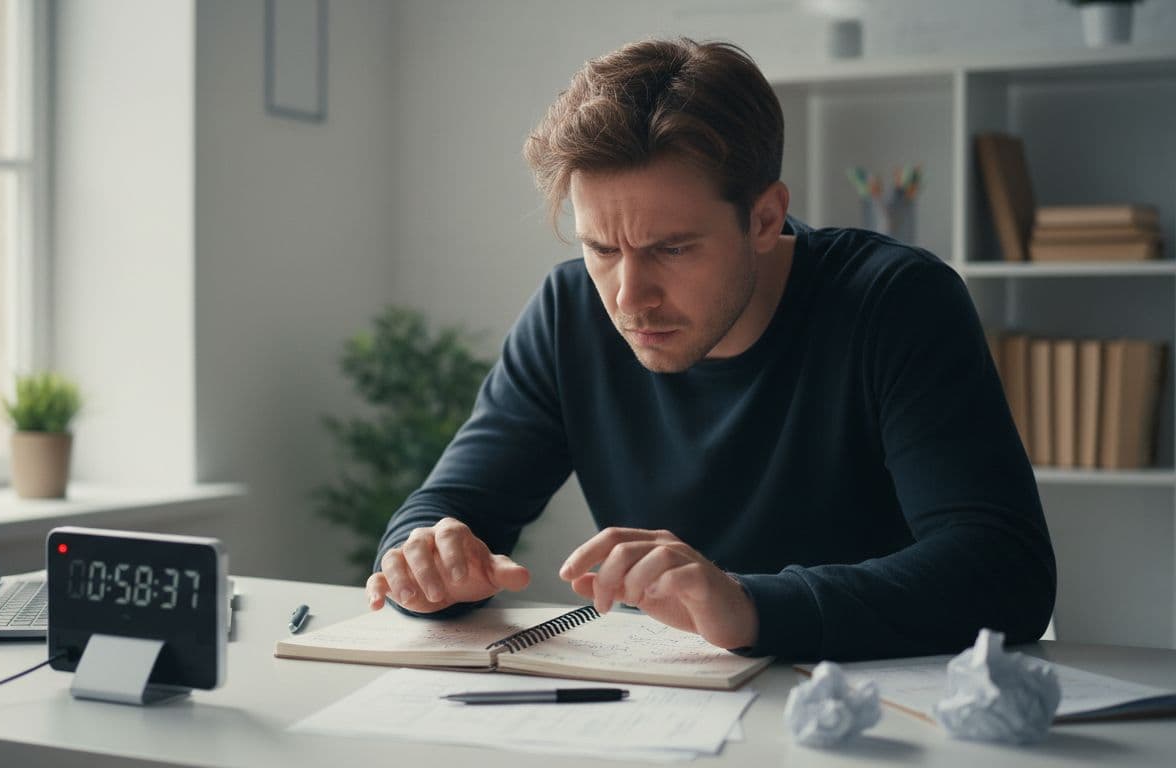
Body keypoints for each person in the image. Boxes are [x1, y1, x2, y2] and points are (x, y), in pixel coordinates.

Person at [364, 37, 1055, 660]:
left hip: (872, 712)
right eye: (602, 248)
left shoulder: (895, 302)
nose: (630, 297)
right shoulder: (569, 312)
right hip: (667, 705)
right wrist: (425, 563)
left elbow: (1005, 572)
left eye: (671, 249)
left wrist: (749, 606)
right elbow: (447, 507)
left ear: (765, 217)